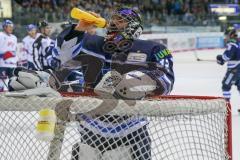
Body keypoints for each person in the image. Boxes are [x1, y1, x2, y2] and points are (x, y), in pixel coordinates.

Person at [8, 7, 174, 159]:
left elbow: (166, 79)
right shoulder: (92, 43)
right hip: (90, 132)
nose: (114, 22)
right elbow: (59, 60)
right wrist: (79, 29)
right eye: (113, 19)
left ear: (134, 26)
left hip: (132, 131)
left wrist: (135, 81)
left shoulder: (153, 48)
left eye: (121, 20)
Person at [216, 27, 240, 105]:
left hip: (234, 69)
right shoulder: (238, 42)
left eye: (227, 35)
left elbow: (227, 56)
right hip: (238, 67)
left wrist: (220, 58)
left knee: (225, 86)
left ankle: (227, 106)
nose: (226, 37)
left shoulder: (232, 44)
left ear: (232, 35)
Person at [0, 19, 17, 92]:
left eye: (12, 26)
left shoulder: (14, 37)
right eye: (9, 26)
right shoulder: (0, 35)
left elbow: (14, 51)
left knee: (12, 81)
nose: (11, 28)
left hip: (12, 64)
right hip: (2, 64)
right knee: (2, 82)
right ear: (4, 27)